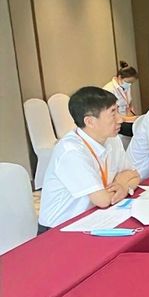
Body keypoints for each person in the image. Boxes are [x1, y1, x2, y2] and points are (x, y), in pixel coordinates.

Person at [38, 87, 140, 232]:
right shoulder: (71, 151)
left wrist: (122, 186)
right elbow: (103, 200)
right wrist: (124, 186)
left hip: (93, 217)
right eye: (113, 113)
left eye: (118, 110)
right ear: (90, 121)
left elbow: (134, 175)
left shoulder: (112, 139)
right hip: (59, 229)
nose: (120, 119)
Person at [103, 60, 138, 137]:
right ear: (119, 77)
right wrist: (129, 119)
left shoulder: (126, 87)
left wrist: (133, 117)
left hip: (126, 119)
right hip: (116, 121)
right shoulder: (109, 90)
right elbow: (110, 113)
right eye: (128, 82)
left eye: (131, 83)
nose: (129, 84)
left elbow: (129, 104)